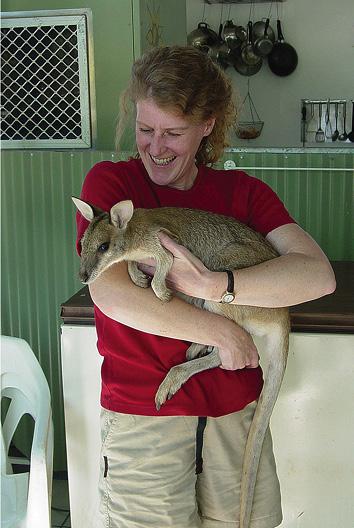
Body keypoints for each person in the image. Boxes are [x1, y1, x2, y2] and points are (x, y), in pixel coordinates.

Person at [76, 46, 335, 528]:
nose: (155, 147)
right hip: (146, 417)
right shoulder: (114, 185)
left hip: (234, 411)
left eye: (173, 133)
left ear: (208, 126)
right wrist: (223, 334)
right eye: (145, 129)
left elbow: (316, 275)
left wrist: (219, 286)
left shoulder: (243, 194)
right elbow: (111, 293)